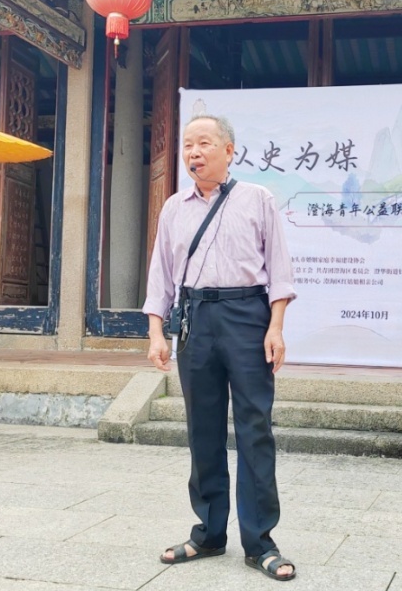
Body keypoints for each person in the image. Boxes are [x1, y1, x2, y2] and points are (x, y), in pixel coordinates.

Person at [142, 113, 297, 582]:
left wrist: (276, 328)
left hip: (247, 315)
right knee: (202, 429)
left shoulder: (257, 199)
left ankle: (260, 542)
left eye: (204, 143)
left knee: (255, 427)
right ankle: (208, 533)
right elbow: (160, 276)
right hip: (195, 320)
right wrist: (156, 333)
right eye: (188, 144)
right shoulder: (174, 208)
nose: (194, 152)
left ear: (229, 151)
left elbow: (280, 271)